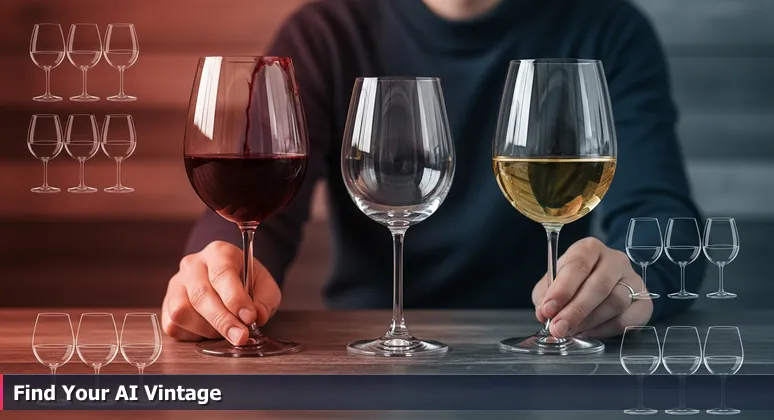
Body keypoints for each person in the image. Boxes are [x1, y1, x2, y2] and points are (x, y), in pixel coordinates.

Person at [162, 0, 705, 346]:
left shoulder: (609, 28)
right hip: (369, 363)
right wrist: (220, 266)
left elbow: (665, 224)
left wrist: (636, 285)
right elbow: (262, 199)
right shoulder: (326, 31)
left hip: (540, 346)